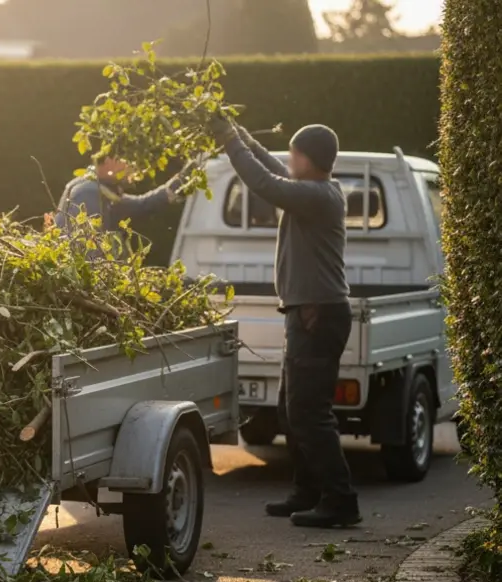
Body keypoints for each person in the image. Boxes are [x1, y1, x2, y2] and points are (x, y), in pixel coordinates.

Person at [210, 117, 359, 528]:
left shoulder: (319, 195)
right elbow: (272, 170)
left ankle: (341, 499)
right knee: (291, 410)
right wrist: (241, 134)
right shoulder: (311, 190)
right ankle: (307, 490)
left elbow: (265, 183)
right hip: (307, 314)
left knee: (310, 413)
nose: (289, 158)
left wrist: (228, 141)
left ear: (311, 160)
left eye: (295, 152)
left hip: (318, 315)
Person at [48, 156, 192, 257]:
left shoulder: (102, 191)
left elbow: (144, 204)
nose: (129, 167)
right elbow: (88, 248)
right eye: (124, 161)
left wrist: (181, 181)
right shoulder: (89, 193)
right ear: (109, 161)